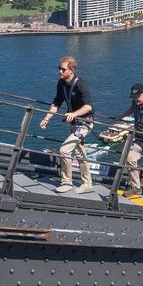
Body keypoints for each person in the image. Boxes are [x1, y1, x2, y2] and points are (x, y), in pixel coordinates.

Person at [40, 56, 94, 194]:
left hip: (85, 123)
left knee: (64, 150)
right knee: (80, 153)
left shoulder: (81, 84)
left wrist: (74, 113)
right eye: (59, 68)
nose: (60, 71)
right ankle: (87, 183)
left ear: (71, 70)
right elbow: (56, 103)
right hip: (74, 123)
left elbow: (88, 106)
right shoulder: (61, 83)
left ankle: (67, 182)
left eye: (63, 69)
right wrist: (47, 118)